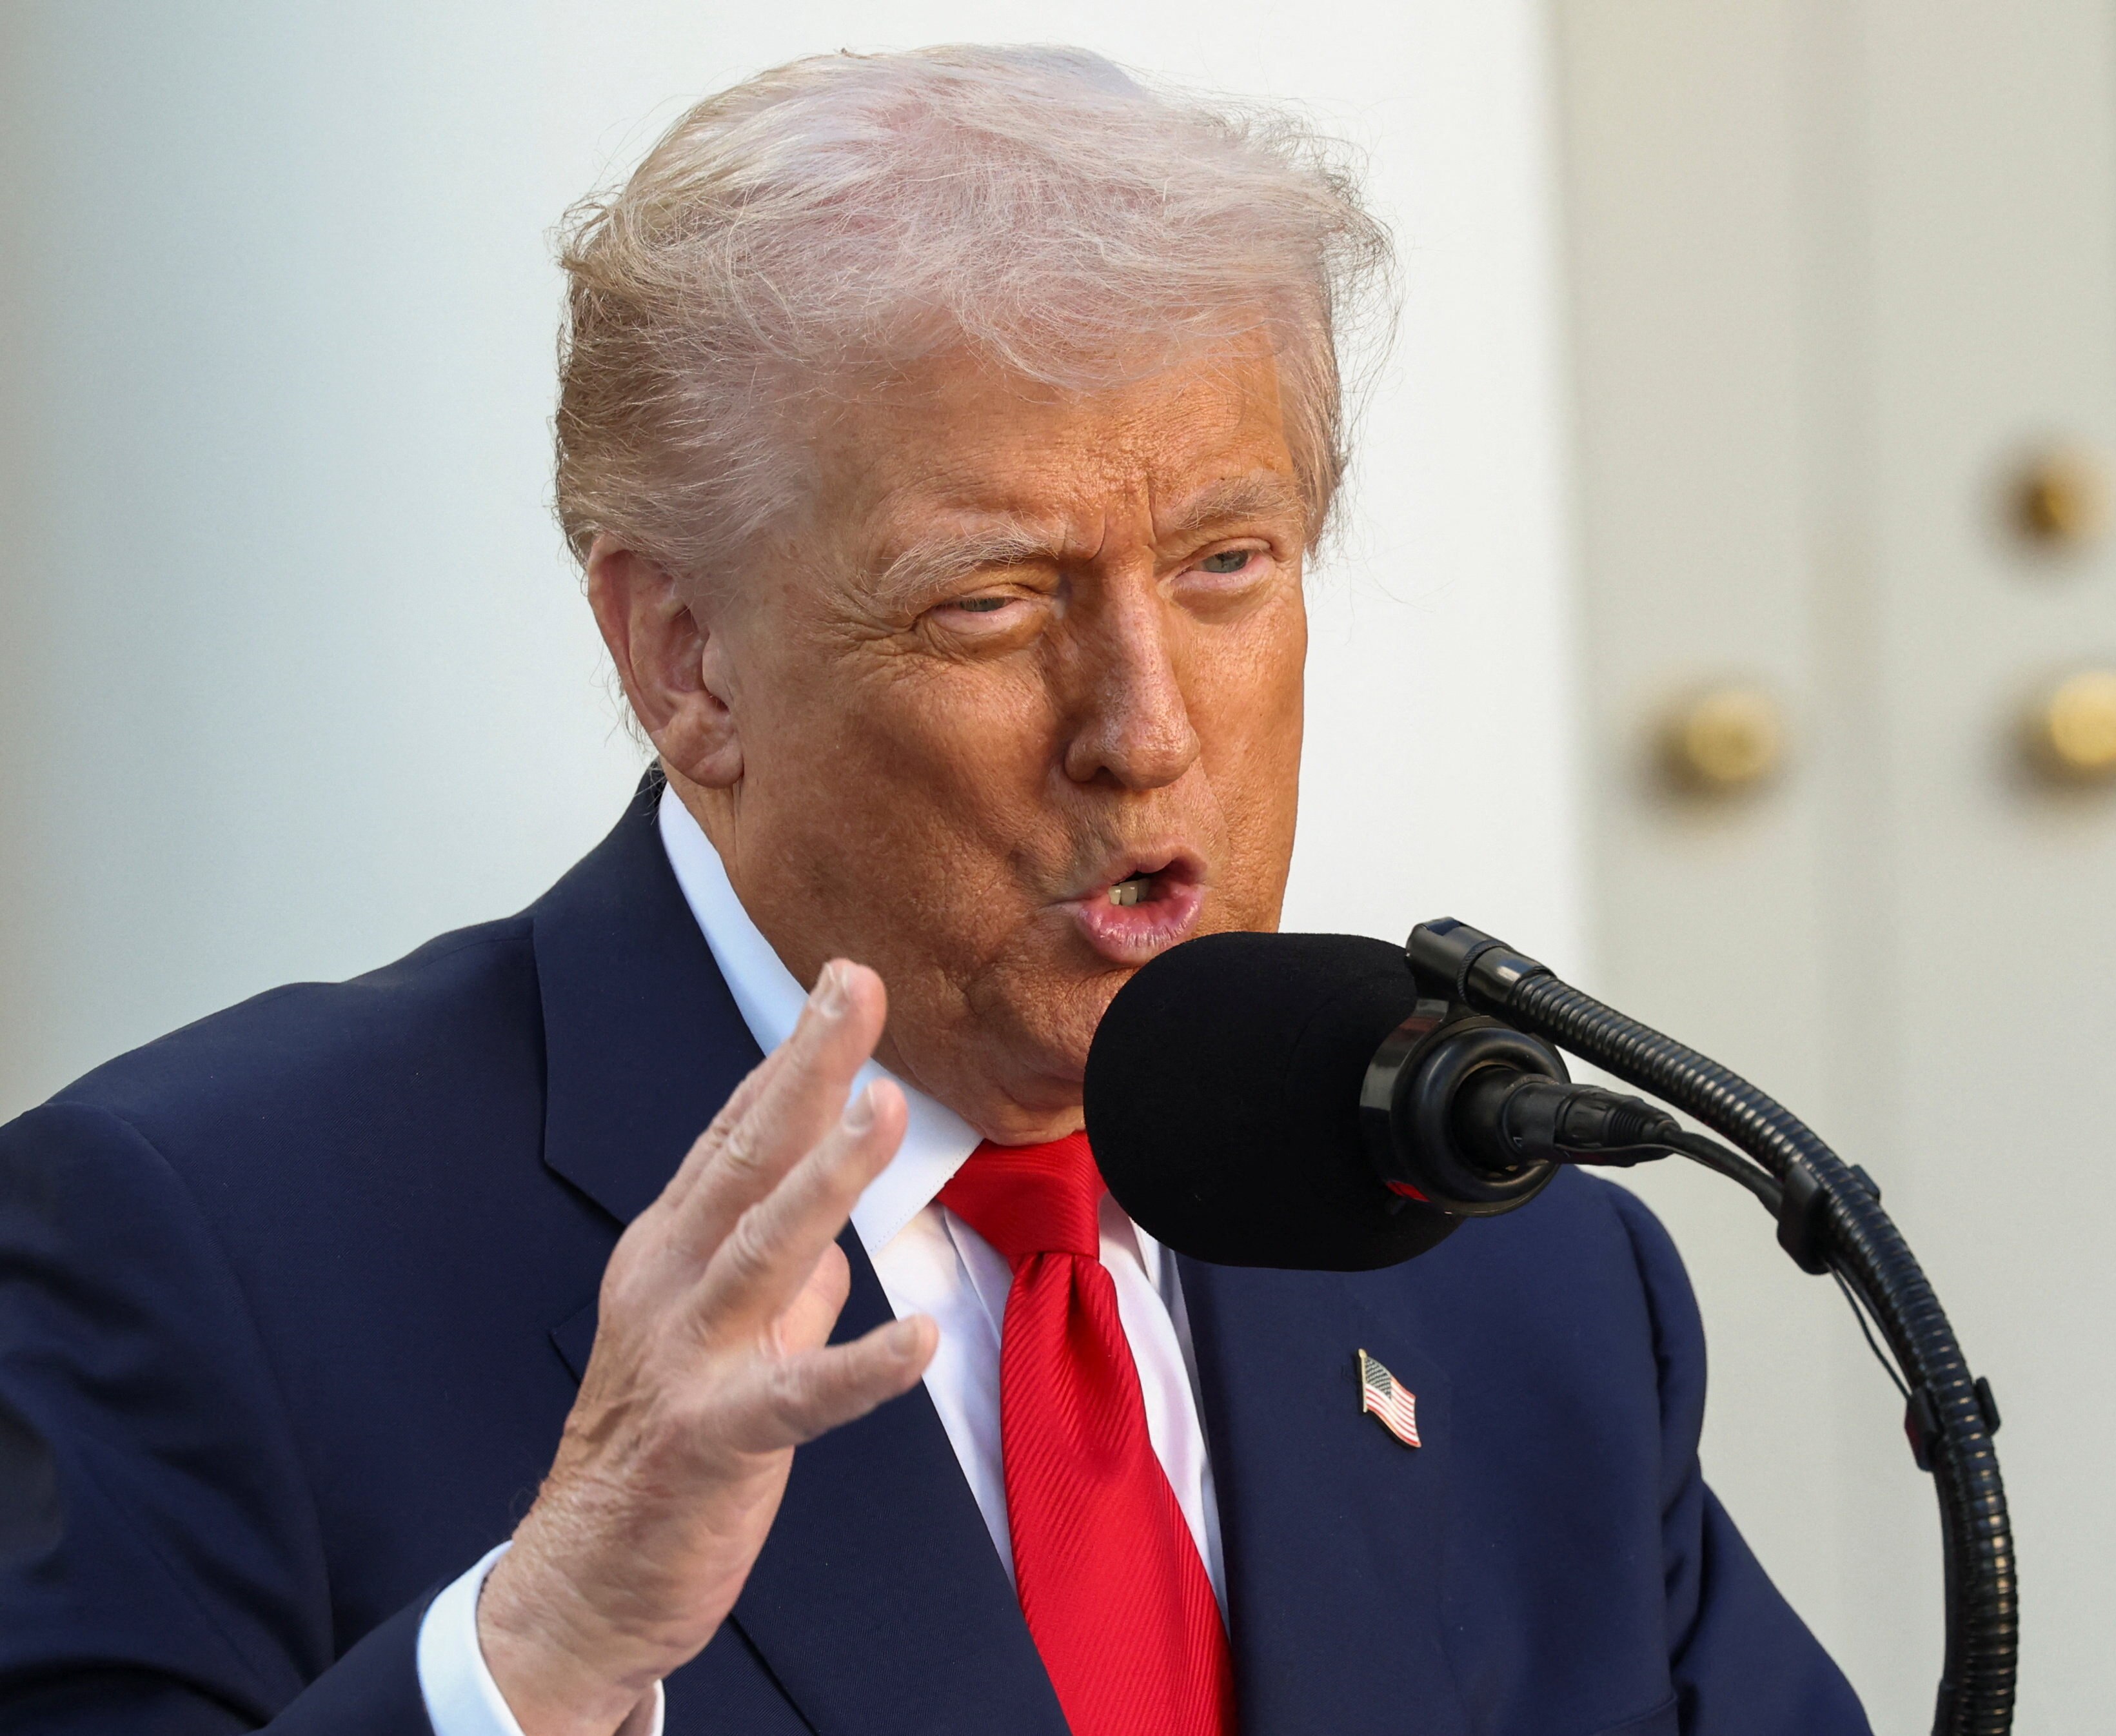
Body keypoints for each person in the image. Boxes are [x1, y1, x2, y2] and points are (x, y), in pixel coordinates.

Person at [0, 46, 1870, 1736]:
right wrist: (536, 1661)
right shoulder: (205, 1243)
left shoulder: (1506, 1261)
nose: (1143, 730)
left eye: (1228, 563)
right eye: (989, 600)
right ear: (686, 664)